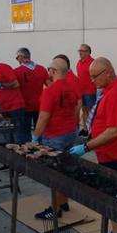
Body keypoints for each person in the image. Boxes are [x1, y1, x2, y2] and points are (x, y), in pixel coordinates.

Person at [69, 57, 117, 233]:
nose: (92, 81)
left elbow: (113, 131)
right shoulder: (109, 90)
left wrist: (86, 147)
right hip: (107, 153)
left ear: (108, 71)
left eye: (95, 76)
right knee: (108, 195)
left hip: (116, 155)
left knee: (113, 198)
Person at [32, 58, 80, 219]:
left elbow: (43, 117)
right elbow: (75, 108)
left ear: (53, 71)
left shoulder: (50, 91)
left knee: (54, 174)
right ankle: (63, 201)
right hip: (70, 133)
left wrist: (35, 137)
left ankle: (55, 209)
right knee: (65, 169)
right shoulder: (71, 88)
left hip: (54, 136)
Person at [14, 47, 48, 139]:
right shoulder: (41, 69)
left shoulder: (17, 71)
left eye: (17, 58)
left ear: (21, 57)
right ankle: (40, 150)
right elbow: (50, 86)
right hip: (40, 105)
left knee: (24, 133)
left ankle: (26, 150)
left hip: (24, 106)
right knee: (40, 130)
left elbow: (12, 87)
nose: (17, 60)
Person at [53, 54, 82, 130]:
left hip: (68, 124)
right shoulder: (61, 78)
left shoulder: (72, 80)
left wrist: (72, 119)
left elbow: (79, 101)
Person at [76, 44, 97, 135]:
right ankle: (85, 128)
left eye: (82, 51)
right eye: (79, 51)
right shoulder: (79, 62)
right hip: (81, 91)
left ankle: (93, 130)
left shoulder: (93, 62)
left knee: (91, 111)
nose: (80, 53)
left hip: (90, 91)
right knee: (84, 110)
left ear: (88, 52)